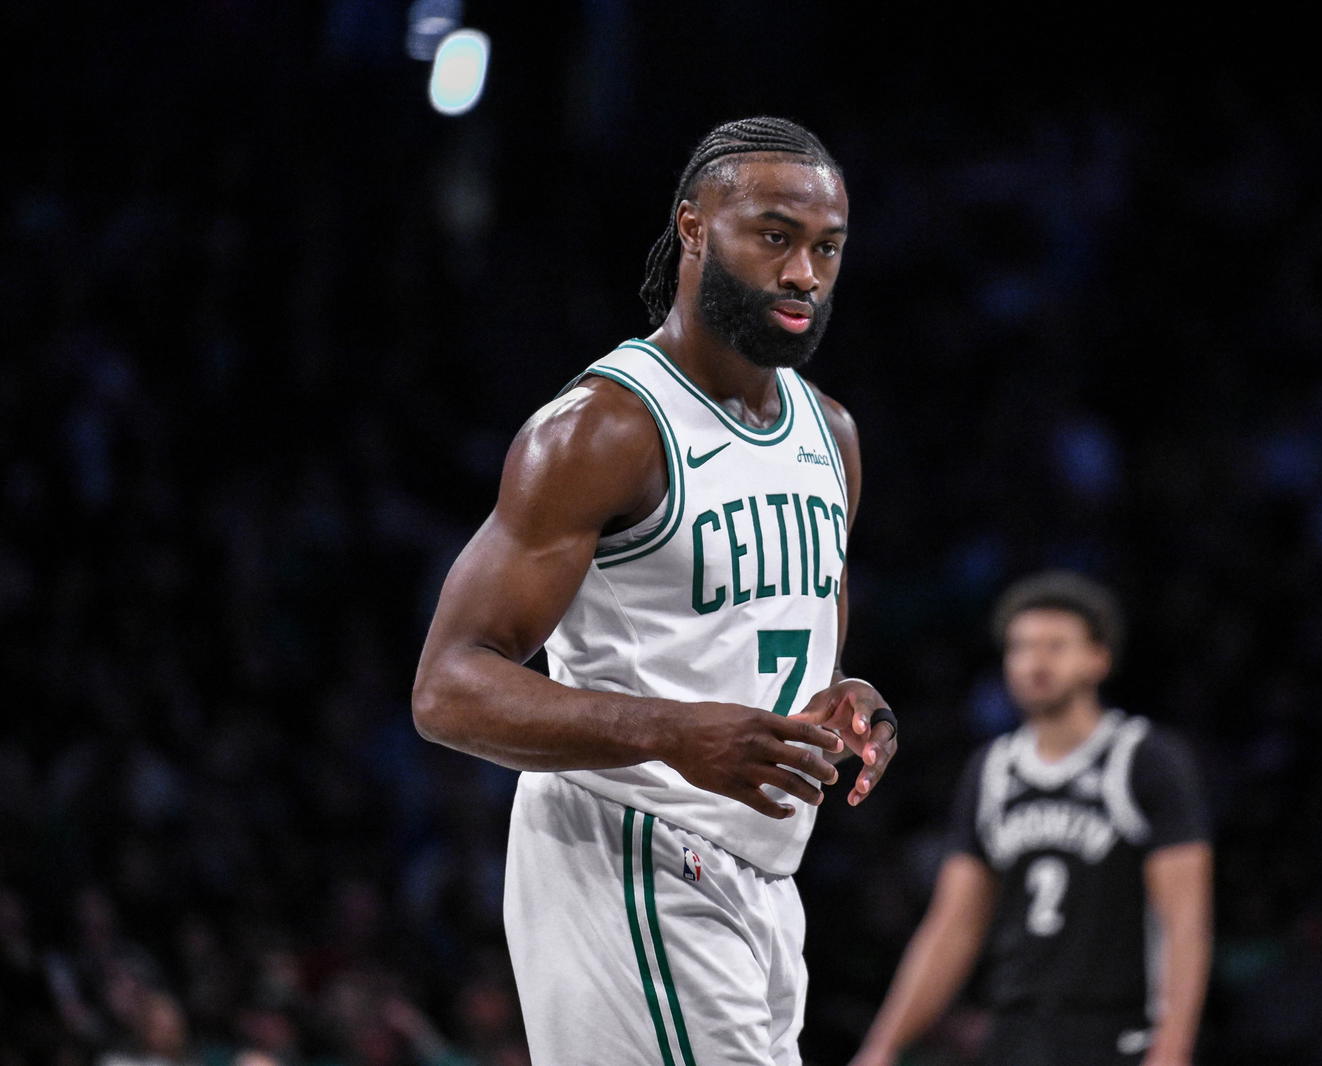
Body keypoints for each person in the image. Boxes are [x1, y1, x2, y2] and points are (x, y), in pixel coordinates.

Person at [411, 117, 896, 1066]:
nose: (804, 272)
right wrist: (670, 731)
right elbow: (447, 688)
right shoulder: (604, 429)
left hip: (760, 876)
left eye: (827, 248)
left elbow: (795, 618)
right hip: (631, 849)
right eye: (775, 236)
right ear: (693, 230)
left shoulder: (828, 432)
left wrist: (843, 697)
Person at [850, 572, 1210, 1066]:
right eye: (1021, 647)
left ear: (1098, 659)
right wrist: (882, 1047)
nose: (1035, 663)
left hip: (1118, 1035)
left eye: (1056, 646)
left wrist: (1171, 1050)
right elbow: (953, 926)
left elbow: (1185, 923)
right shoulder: (992, 768)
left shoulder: (1145, 758)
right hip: (1015, 1034)